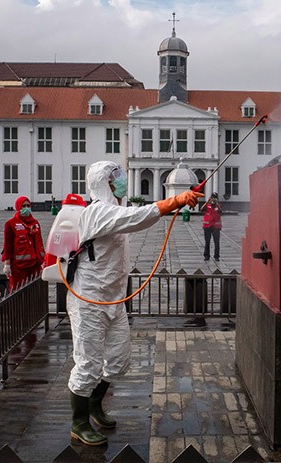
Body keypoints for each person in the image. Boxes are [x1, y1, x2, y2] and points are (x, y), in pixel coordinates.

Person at [66, 160, 201, 446]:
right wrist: (174, 201)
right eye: (115, 176)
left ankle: (94, 405)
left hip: (113, 299)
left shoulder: (114, 211)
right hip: (88, 300)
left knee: (117, 360)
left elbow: (132, 217)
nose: (121, 180)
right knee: (88, 363)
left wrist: (173, 205)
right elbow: (138, 217)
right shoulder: (97, 212)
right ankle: (78, 423)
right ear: (103, 182)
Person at [1, 196, 45, 290]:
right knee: (18, 290)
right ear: (18, 208)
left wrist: (43, 259)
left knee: (35, 290)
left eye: (28, 206)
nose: (26, 208)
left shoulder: (35, 223)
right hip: (19, 266)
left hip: (35, 264)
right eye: (23, 206)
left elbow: (39, 242)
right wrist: (7, 263)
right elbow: (7, 245)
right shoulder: (11, 224)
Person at [201, 192, 222, 260]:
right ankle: (206, 256)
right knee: (207, 242)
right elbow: (201, 209)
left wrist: (217, 204)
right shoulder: (207, 205)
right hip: (207, 226)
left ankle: (217, 256)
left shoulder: (218, 206)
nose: (213, 199)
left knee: (217, 242)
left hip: (216, 227)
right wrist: (207, 202)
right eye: (212, 197)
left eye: (215, 197)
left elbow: (220, 212)